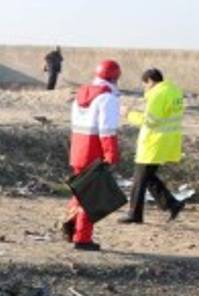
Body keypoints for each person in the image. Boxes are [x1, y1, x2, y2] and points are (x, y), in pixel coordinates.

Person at [64, 59, 122, 252]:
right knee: (91, 197)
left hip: (78, 149)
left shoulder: (80, 94)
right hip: (94, 151)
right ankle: (82, 238)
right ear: (115, 77)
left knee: (81, 192)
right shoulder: (107, 99)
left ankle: (70, 225)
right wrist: (111, 155)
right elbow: (107, 131)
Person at [120, 68, 185, 224]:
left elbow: (151, 121)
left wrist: (128, 114)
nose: (145, 88)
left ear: (149, 81)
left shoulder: (157, 94)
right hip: (167, 141)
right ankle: (171, 204)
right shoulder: (174, 91)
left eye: (145, 85)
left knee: (139, 179)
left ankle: (134, 214)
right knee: (147, 177)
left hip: (153, 142)